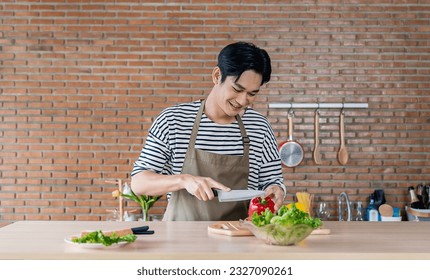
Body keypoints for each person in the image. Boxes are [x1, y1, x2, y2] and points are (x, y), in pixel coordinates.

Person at [131, 41, 285, 221]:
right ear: (217, 75)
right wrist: (184, 180)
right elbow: (139, 182)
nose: (243, 100)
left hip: (239, 239)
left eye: (252, 94)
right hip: (182, 241)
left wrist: (276, 190)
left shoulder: (259, 127)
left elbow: (272, 182)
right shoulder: (173, 121)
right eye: (237, 89)